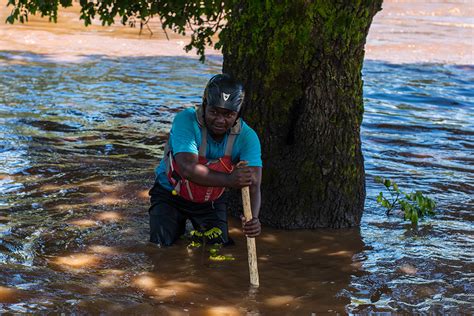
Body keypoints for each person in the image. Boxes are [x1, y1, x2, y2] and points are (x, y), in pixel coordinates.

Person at [148, 74, 262, 246]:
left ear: (238, 115)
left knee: (218, 247)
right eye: (214, 112)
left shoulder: (247, 137)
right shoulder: (185, 120)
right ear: (204, 105)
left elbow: (254, 183)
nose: (220, 120)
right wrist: (229, 180)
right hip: (169, 193)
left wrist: (252, 219)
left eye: (228, 114)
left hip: (211, 202)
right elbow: (187, 168)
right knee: (160, 246)